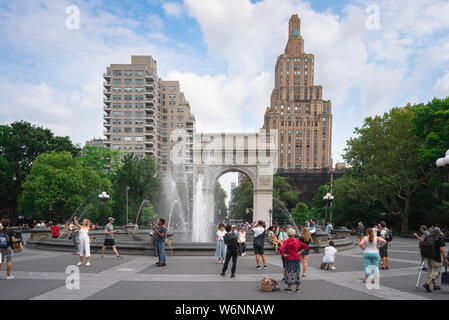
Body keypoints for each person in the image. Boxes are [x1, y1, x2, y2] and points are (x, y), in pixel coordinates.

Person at [279, 228, 308, 293]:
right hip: (296, 258)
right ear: (294, 234)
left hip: (289, 258)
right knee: (297, 271)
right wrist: (300, 252)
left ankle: (289, 288)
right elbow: (305, 246)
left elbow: (281, 249)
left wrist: (283, 254)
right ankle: (297, 288)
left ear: (288, 234)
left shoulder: (286, 241)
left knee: (289, 272)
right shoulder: (297, 241)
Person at [421, 227, 449, 292]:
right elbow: (441, 249)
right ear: (438, 232)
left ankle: (434, 286)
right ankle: (427, 284)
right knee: (436, 272)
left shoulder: (427, 236)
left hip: (429, 257)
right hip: (436, 258)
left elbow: (423, 245)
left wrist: (423, 256)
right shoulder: (439, 237)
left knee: (431, 272)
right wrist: (445, 258)